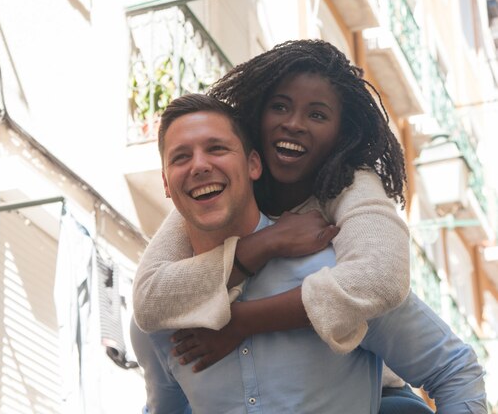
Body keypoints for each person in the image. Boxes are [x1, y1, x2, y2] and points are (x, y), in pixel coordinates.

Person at [130, 92, 487, 413]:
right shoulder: (158, 322)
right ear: (165, 182)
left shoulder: (341, 272)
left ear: (254, 165)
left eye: (217, 149)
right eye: (180, 157)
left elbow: (455, 370)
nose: (199, 165)